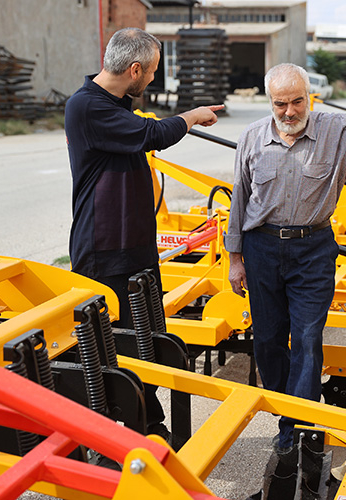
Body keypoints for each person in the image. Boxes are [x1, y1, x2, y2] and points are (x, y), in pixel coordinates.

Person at [226, 63, 346, 452]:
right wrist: (235, 258)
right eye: (281, 104)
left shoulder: (337, 131)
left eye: (297, 102)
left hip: (312, 250)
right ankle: (289, 405)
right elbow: (240, 198)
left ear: (309, 97)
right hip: (261, 249)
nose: (290, 112)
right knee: (267, 340)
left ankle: (297, 427)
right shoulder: (252, 137)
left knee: (307, 337)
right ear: (270, 102)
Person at [65, 27, 223, 443]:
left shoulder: (115, 106)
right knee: (109, 352)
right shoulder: (86, 106)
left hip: (135, 248)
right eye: (151, 71)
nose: (152, 79)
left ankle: (150, 426)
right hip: (104, 251)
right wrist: (191, 116)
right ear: (134, 70)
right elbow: (154, 135)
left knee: (147, 344)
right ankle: (108, 438)